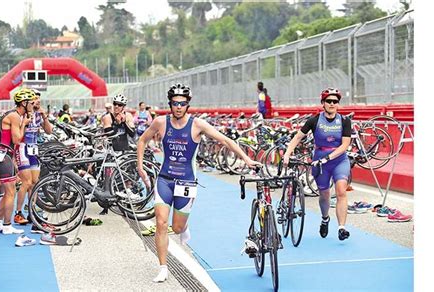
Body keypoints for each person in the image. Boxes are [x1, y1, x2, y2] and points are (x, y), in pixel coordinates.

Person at [136, 83, 260, 283]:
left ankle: (184, 228)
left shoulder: (197, 125)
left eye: (182, 103)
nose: (178, 107)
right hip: (165, 180)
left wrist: (246, 159)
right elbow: (142, 140)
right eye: (175, 103)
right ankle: (163, 267)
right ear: (170, 104)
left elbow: (225, 140)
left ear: (187, 105)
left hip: (186, 181)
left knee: (176, 228)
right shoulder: (160, 122)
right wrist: (140, 166)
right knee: (160, 223)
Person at [283, 87, 351, 241]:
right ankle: (325, 218)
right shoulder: (314, 120)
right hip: (319, 162)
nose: (332, 104)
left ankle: (342, 228)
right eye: (329, 101)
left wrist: (328, 158)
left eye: (335, 101)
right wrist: (287, 154)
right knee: (324, 195)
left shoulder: (345, 121)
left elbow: (345, 145)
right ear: (323, 103)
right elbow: (298, 137)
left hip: (339, 160)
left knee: (341, 190)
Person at [0, 88, 36, 235]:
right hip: (5, 155)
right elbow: (16, 140)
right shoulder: (15, 116)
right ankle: (7, 225)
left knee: (8, 191)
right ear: (24, 103)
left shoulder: (13, 114)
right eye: (31, 102)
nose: (33, 105)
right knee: (10, 193)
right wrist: (24, 124)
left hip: (2, 154)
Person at [14, 89, 53, 226]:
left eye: (38, 99)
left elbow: (49, 131)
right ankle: (18, 212)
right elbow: (17, 135)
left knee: (35, 182)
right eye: (34, 100)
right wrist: (25, 122)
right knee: (26, 182)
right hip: (23, 148)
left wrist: (45, 116)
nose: (36, 102)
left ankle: (32, 211)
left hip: (34, 148)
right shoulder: (21, 115)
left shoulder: (38, 114)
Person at [99, 94, 136, 215]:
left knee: (126, 175)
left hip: (124, 148)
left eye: (119, 105)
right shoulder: (107, 117)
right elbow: (109, 134)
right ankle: (105, 206)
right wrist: (116, 122)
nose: (116, 106)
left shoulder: (128, 116)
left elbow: (132, 134)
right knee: (107, 177)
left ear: (123, 107)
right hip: (111, 150)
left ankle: (127, 200)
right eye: (115, 104)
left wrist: (124, 122)